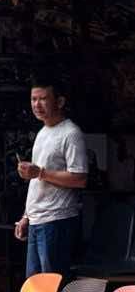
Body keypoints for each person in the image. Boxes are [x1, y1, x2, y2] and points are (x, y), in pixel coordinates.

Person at [16, 79, 87, 277]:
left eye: (43, 99)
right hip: (37, 220)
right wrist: (26, 216)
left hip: (57, 219)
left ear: (60, 102)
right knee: (35, 287)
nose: (36, 105)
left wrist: (40, 172)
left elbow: (79, 178)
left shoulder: (70, 133)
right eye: (33, 99)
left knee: (51, 286)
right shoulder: (42, 132)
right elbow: (36, 182)